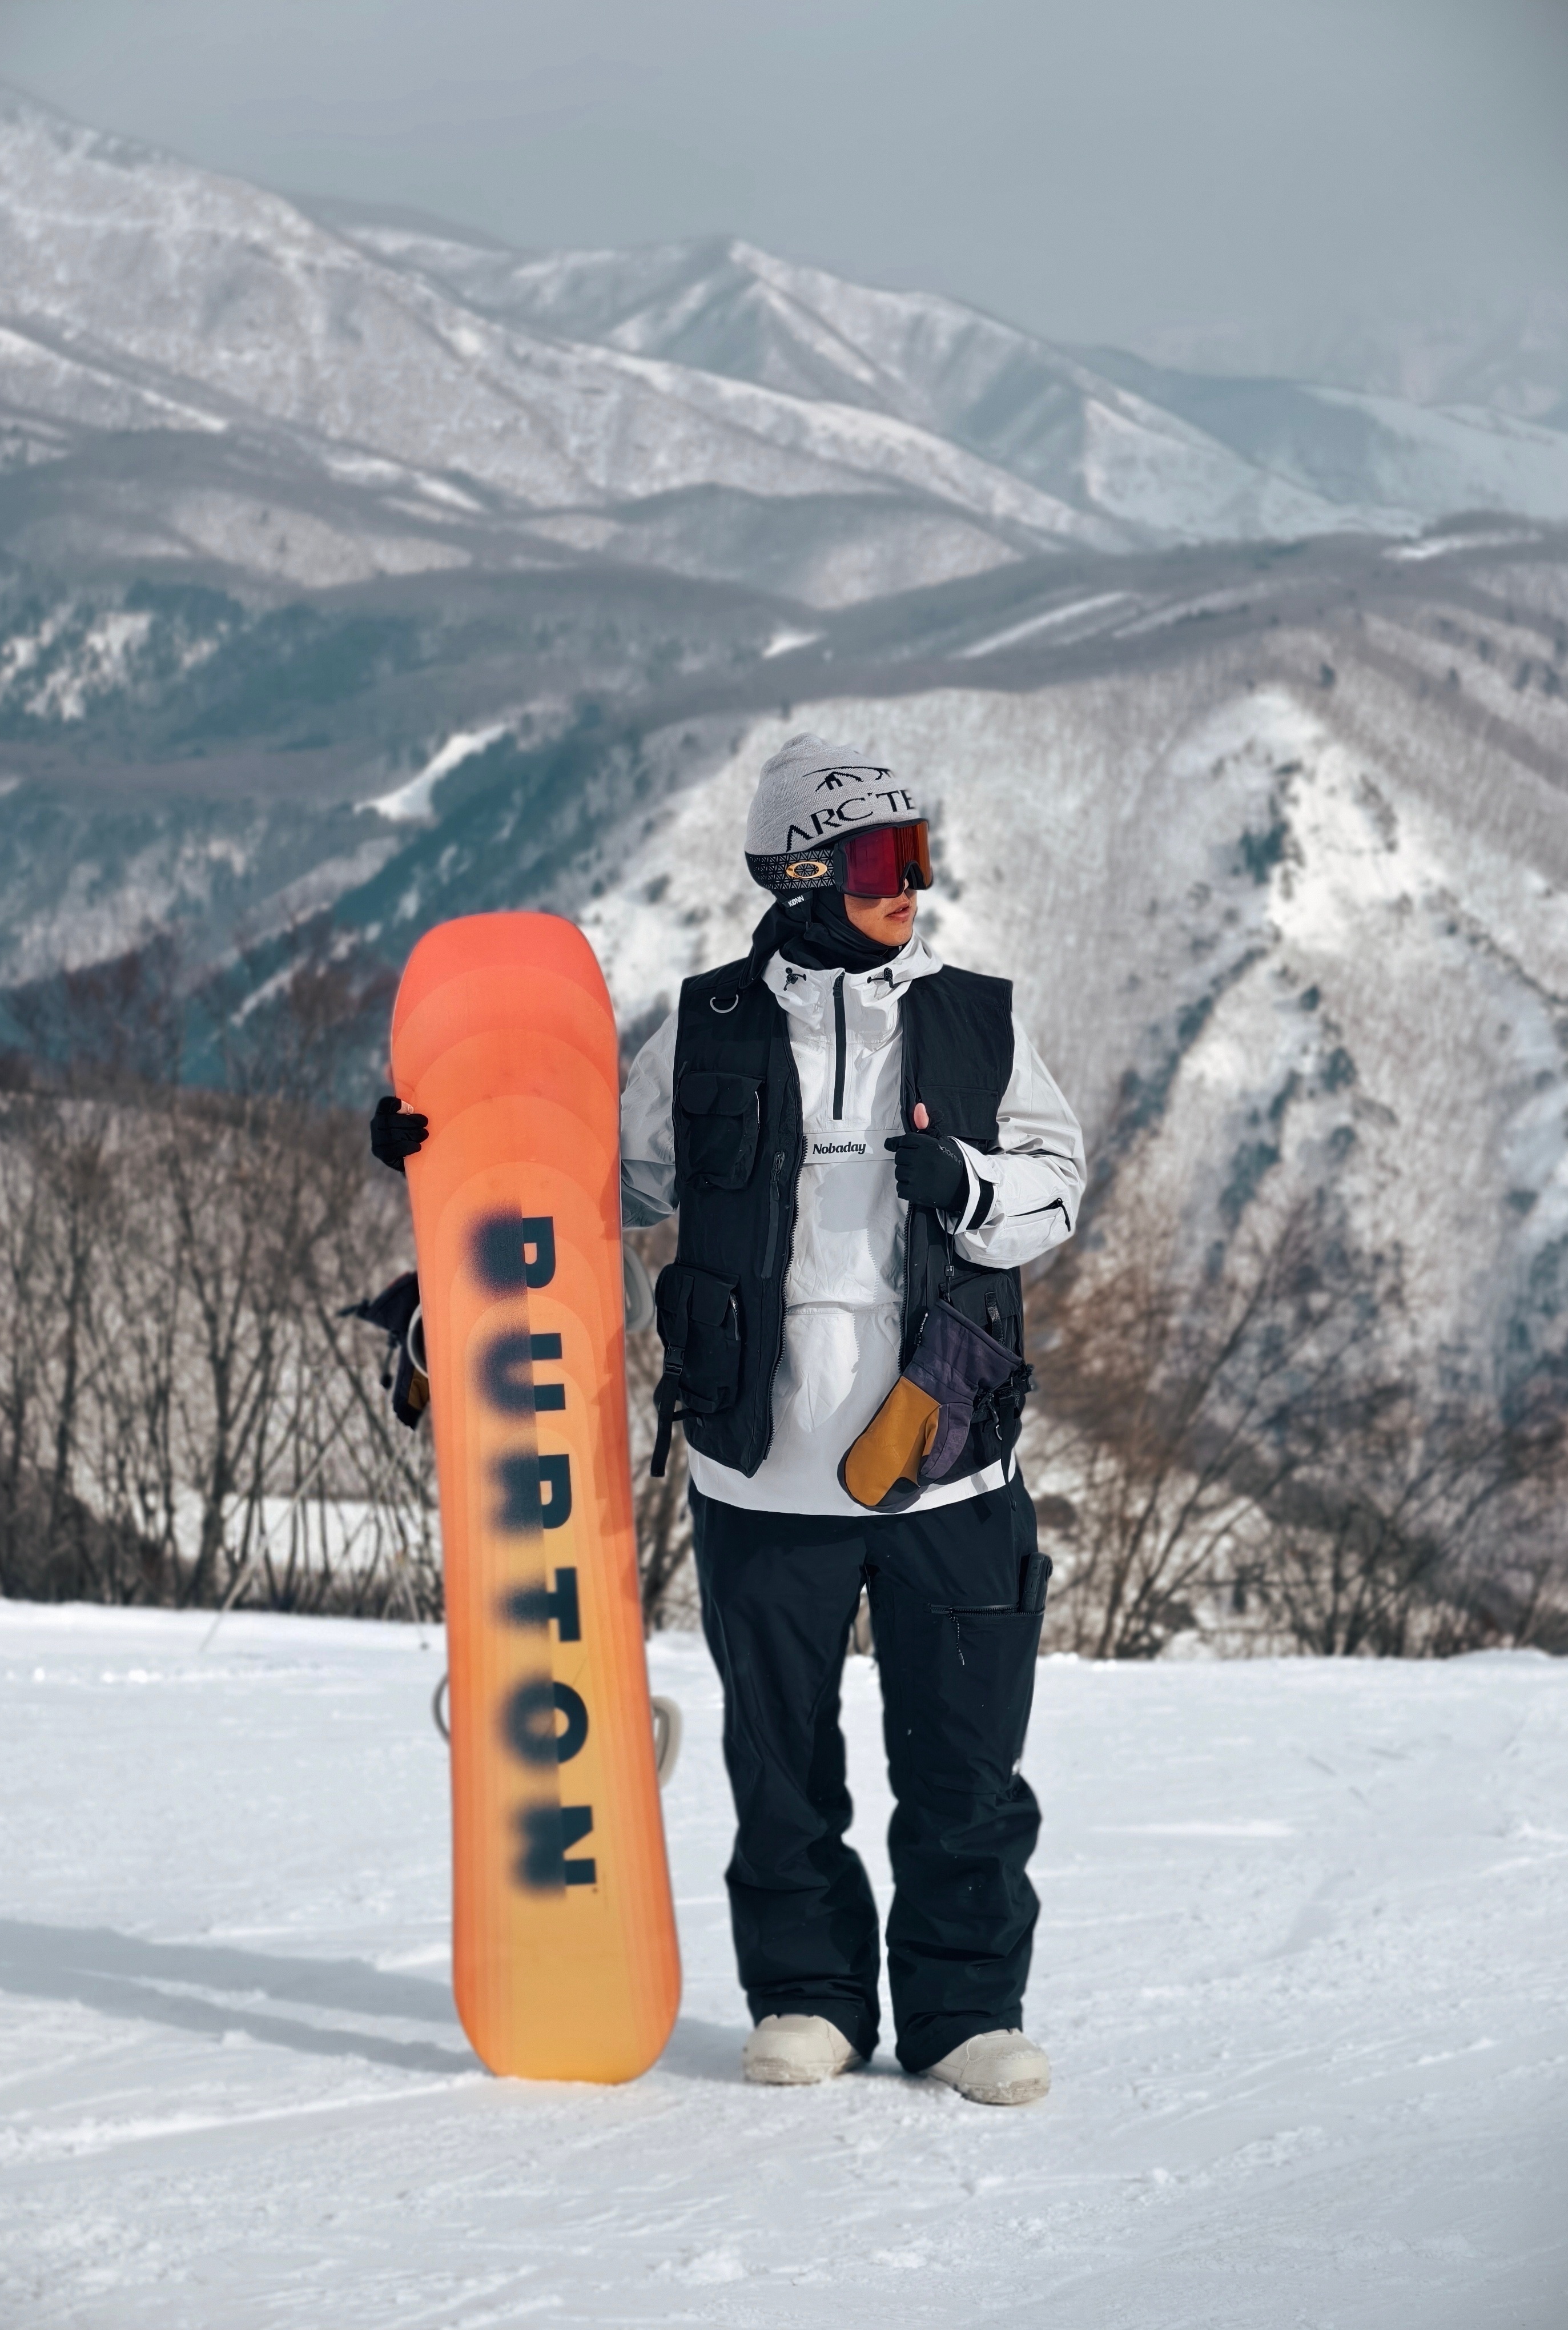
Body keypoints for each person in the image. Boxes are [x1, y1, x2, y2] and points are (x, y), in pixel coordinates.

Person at [372, 731, 1085, 2107]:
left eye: (917, 857)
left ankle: (963, 2013)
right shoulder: (704, 1027)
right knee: (781, 1762)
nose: (909, 889)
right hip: (761, 1472)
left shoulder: (977, 1020)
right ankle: (811, 1995)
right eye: (883, 861)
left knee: (967, 1769)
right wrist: (442, 1150)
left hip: (947, 1465)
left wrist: (976, 1191)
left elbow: (1060, 1181)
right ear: (805, 874)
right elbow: (596, 1193)